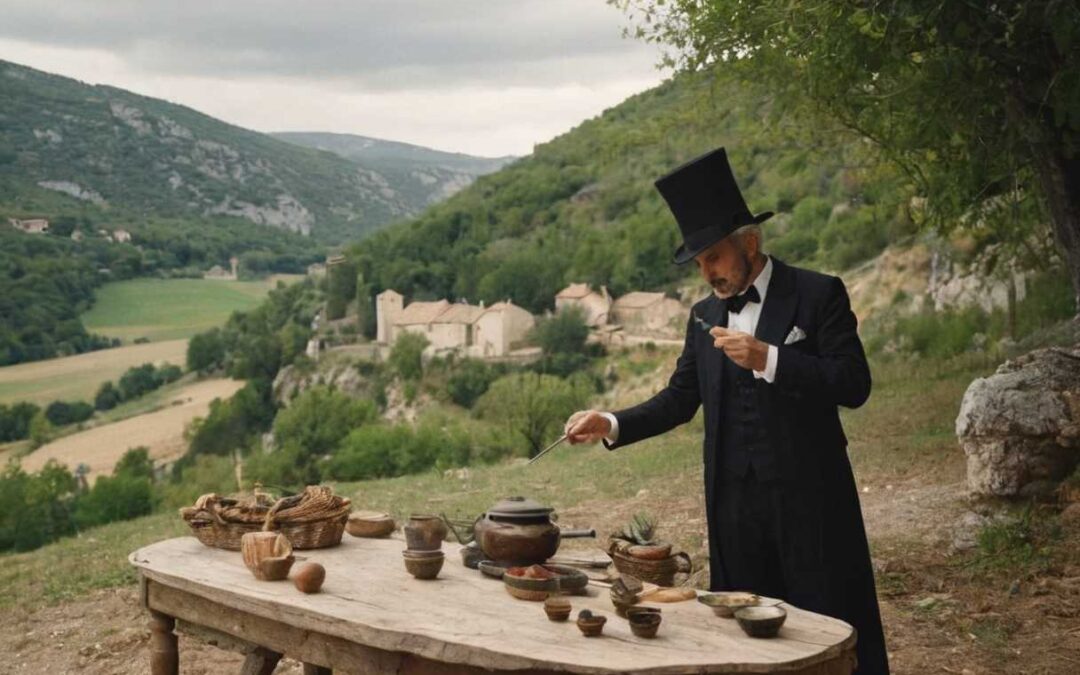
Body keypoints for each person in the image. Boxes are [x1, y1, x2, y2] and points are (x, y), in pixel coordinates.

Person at [564, 148, 889, 674]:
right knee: (747, 636)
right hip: (735, 507)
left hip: (813, 503)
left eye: (714, 257)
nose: (707, 273)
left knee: (828, 627)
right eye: (699, 264)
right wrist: (613, 421)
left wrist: (773, 359)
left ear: (750, 243)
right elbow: (678, 399)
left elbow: (854, 384)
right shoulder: (703, 315)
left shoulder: (817, 293)